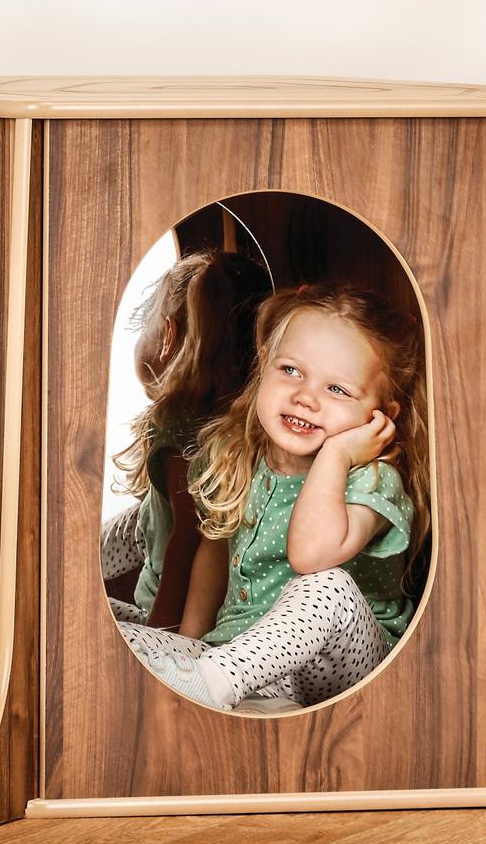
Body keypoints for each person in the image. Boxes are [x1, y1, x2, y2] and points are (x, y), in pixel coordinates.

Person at [117, 282, 429, 709]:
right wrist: (190, 646)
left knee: (327, 585)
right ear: (263, 364)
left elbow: (310, 556)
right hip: (236, 657)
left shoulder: (371, 479)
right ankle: (211, 682)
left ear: (381, 416)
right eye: (291, 371)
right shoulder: (241, 457)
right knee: (120, 640)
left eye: (337, 390)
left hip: (339, 670)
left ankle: (215, 681)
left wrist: (337, 454)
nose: (305, 398)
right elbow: (214, 551)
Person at [100, 248, 271, 636]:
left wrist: (161, 636)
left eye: (145, 324)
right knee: (131, 523)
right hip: (214, 603)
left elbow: (186, 540)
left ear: (168, 336)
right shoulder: (242, 419)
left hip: (173, 612)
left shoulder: (174, 420)